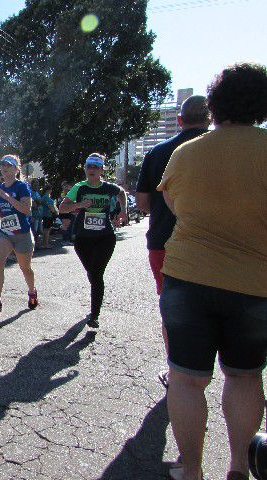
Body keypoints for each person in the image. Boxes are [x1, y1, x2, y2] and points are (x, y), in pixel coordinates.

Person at [156, 63, 267, 480]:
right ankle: (239, 467)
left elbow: (173, 207)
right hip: (256, 284)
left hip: (189, 279)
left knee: (186, 380)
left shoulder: (186, 152)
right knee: (244, 375)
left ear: (215, 105)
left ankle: (193, 470)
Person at [135, 95, 210, 389]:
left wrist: (166, 207)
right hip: (220, 244)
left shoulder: (158, 152)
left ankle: (177, 368)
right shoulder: (227, 150)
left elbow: (141, 204)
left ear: (179, 120)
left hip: (165, 241)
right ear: (209, 120)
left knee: (172, 306)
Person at [58, 154, 127, 329]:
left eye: (96, 167)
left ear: (102, 170)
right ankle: (95, 308)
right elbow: (63, 207)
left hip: (105, 238)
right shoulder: (79, 188)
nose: (92, 170)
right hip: (83, 239)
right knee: (92, 273)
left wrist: (123, 211)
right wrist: (79, 205)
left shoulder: (108, 187)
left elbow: (121, 193)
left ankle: (94, 315)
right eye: (89, 166)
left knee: (96, 275)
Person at [0, 155, 38, 314]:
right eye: (3, 165)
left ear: (16, 169)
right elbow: (0, 208)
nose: (5, 168)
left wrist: (6, 196)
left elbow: (26, 210)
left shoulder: (22, 187)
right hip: (5, 232)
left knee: (25, 268)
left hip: (22, 233)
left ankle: (32, 291)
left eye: (9, 165)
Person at [30, 178, 43, 246]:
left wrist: (39, 202)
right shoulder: (30, 192)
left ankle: (37, 244)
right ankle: (33, 245)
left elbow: (40, 202)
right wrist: (37, 202)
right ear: (31, 185)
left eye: (38, 185)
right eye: (35, 185)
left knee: (39, 231)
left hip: (39, 215)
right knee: (34, 230)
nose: (37, 186)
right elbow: (33, 204)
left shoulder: (37, 193)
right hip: (34, 215)